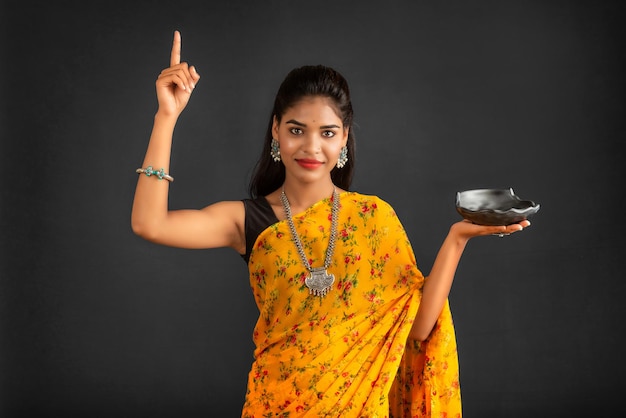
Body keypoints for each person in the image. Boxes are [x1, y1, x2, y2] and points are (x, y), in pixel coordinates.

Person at [131, 31, 530, 417]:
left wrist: (456, 239)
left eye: (327, 133)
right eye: (296, 130)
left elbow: (420, 327)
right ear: (275, 131)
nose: (311, 147)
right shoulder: (247, 220)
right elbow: (150, 224)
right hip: (275, 406)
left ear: (343, 139)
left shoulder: (373, 218)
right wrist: (166, 117)